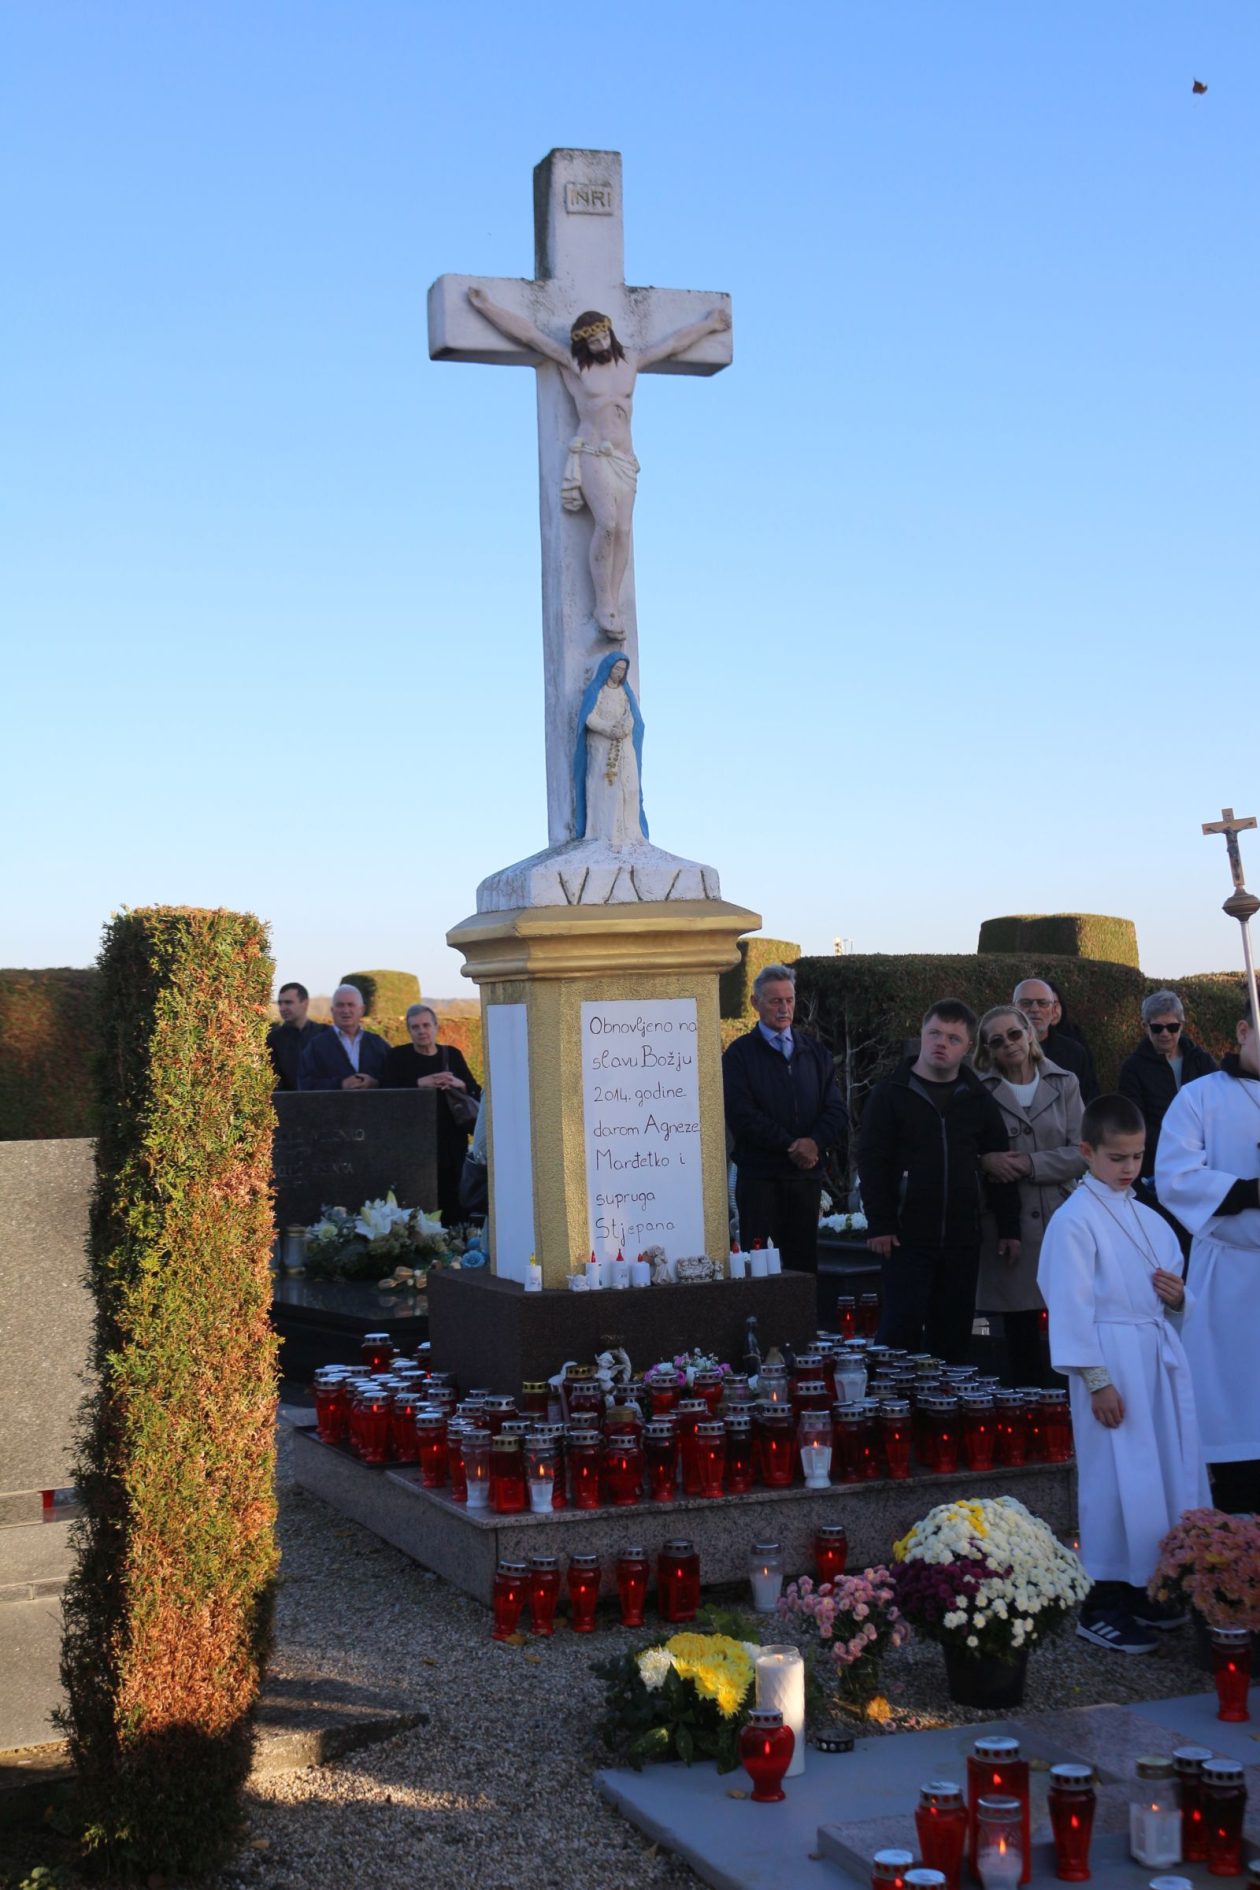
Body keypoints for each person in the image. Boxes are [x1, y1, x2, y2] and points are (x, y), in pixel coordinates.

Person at [1038, 1094, 1207, 1654]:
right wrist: (1096, 1380)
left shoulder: (1150, 1219)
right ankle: (1102, 1602)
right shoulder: (1074, 1221)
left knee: (1156, 1477)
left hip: (1152, 1359)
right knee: (1114, 1479)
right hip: (1109, 1362)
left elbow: (1174, 1299)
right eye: (1117, 1158)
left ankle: (1146, 1591)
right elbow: (1069, 1305)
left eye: (1137, 1157)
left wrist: (1179, 1298)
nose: (1129, 1168)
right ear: (1087, 1152)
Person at [466, 286, 730, 638]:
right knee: (605, 524)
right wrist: (487, 307)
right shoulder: (575, 365)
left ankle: (612, 601)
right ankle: (602, 601)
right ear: (583, 346)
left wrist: (711, 324)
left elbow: (674, 343)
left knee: (622, 531)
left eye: (604, 336)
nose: (601, 345)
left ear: (611, 333)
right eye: (594, 342)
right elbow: (530, 336)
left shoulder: (631, 362)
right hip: (593, 454)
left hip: (624, 459)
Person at [859, 1000, 1019, 1364]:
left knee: (953, 1338)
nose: (941, 1043)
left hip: (963, 1240)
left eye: (952, 1037)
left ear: (967, 1048)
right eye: (934, 1033)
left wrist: (1009, 1228)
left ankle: (946, 1415)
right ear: (921, 1034)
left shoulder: (978, 1100)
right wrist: (880, 1223)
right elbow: (872, 1162)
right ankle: (893, 1412)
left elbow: (1001, 1166)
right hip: (905, 1239)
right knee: (899, 1334)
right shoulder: (890, 1095)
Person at [1155, 994, 1260, 1515]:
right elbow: (1175, 1176)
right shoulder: (1199, 1098)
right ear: (1243, 1030)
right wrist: (1249, 1191)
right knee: (1234, 1407)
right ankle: (1235, 1521)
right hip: (1231, 1271)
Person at [974, 1005, 1085, 1386]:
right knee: (1018, 1329)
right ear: (987, 1050)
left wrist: (1029, 1164)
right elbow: (966, 1149)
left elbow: (1081, 1151)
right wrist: (985, 1160)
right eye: (997, 1040)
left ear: (1030, 1034)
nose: (1009, 1044)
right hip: (1006, 1225)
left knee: (1067, 1319)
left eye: (1015, 1034)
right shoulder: (977, 1089)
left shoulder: (1066, 1082)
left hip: (1058, 1219)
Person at [722, 964, 847, 1276]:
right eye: (775, 1001)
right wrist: (791, 1145)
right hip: (760, 1178)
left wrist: (814, 1143)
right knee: (760, 1265)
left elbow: (835, 1109)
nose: (784, 1008)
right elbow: (741, 1114)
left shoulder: (814, 1053)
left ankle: (803, 1326)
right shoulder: (739, 1055)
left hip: (804, 1180)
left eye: (789, 1000)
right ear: (755, 1003)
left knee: (804, 1266)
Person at [380, 1004, 482, 1227]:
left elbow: (476, 1090)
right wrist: (420, 1083)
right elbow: (385, 1093)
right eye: (415, 1027)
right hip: (414, 1144)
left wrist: (458, 1083)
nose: (421, 1031)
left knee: (453, 1199)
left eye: (426, 1025)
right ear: (409, 1030)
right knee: (419, 1203)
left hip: (451, 1141)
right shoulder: (398, 1057)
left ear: (436, 1027)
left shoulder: (452, 1055)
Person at [1118, 990, 1217, 1187]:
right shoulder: (1132, 1068)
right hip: (1158, 1166)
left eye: (1172, 1027)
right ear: (1145, 1026)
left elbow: (1219, 1107)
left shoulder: (1202, 1061)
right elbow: (1135, 1121)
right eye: (1157, 1028)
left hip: (1206, 1162)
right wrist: (1178, 1146)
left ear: (1182, 1025)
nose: (1165, 1033)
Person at [573, 652, 647, 846]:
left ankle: (630, 831)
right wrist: (607, 729)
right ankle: (604, 831)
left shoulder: (624, 692)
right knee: (606, 787)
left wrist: (624, 727)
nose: (619, 673)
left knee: (629, 786)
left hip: (623, 744)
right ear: (608, 669)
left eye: (623, 670)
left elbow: (631, 715)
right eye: (616, 669)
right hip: (602, 746)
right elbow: (588, 717)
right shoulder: (598, 691)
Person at [1012, 978, 1100, 1104]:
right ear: (1013, 1008)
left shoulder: (1074, 1053)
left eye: (1043, 1003)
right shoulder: (998, 1050)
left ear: (1053, 1010)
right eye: (1026, 1003)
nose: (1035, 1009)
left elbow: (1088, 1100)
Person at [298, 984, 391, 1091]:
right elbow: (304, 1085)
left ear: (362, 1010)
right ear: (332, 1010)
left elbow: (395, 1080)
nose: (346, 1010)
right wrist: (340, 1085)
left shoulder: (377, 1044)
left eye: (351, 1005)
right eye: (340, 1005)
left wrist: (375, 1083)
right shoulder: (316, 1046)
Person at [266, 981, 328, 1091]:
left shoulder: (325, 1034)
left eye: (288, 1002)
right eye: (280, 1003)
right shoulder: (273, 1039)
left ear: (305, 1003)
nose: (283, 1008)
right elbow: (274, 1081)